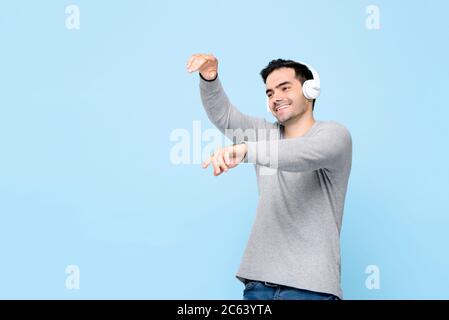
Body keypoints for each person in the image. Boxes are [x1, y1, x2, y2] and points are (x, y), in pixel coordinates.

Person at [186, 54, 352, 300]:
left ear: (310, 89)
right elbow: (224, 115)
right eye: (270, 93)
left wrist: (246, 150)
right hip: (258, 285)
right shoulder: (263, 134)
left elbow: (302, 153)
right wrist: (209, 79)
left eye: (285, 88)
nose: (276, 98)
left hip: (311, 289)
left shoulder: (335, 135)